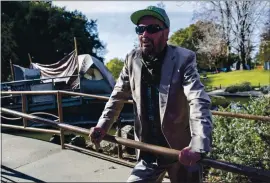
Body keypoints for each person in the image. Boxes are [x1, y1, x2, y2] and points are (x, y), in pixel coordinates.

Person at [89, 5, 213, 183]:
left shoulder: (183, 58)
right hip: (148, 150)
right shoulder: (131, 60)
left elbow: (197, 99)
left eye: (152, 29)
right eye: (140, 29)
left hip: (180, 151)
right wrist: (102, 126)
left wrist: (198, 144)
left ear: (166, 33)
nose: (144, 35)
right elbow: (117, 97)